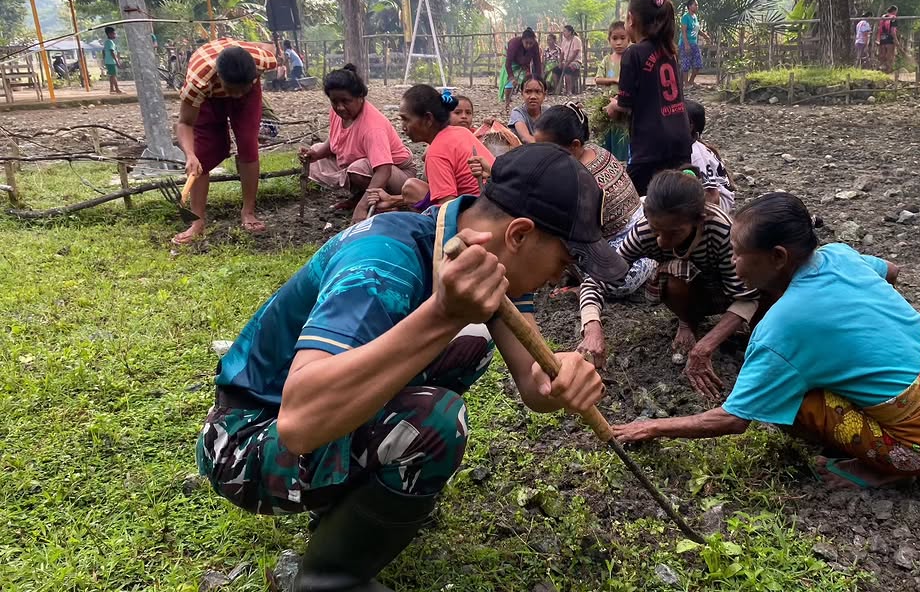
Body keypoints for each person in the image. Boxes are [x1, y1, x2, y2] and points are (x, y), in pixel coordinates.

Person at [196, 143, 627, 592]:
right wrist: (443, 315)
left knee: (462, 350)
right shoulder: (385, 259)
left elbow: (535, 383)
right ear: (518, 235)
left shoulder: (488, 260)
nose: (563, 277)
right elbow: (299, 422)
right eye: (565, 260)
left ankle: (353, 503)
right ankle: (328, 580)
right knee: (436, 421)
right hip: (246, 442)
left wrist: (562, 374)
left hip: (320, 426)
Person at [611, 193, 920, 490]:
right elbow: (892, 271)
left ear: (777, 257)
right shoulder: (838, 254)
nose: (735, 264)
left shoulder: (781, 327)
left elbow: (733, 419)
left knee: (792, 400)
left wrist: (651, 427)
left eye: (740, 255)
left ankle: (882, 470)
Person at [577, 170, 758, 398]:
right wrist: (592, 329)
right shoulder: (644, 232)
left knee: (767, 301)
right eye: (656, 230)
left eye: (674, 233)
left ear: (698, 221)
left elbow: (747, 296)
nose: (662, 241)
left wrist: (704, 347)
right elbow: (595, 280)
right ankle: (687, 322)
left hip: (730, 288)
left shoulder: (721, 230)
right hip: (692, 288)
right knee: (672, 275)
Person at [534, 103, 657, 298]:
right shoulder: (595, 150)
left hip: (627, 255)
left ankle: (584, 287)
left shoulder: (578, 179)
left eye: (547, 150)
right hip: (645, 235)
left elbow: (580, 233)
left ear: (574, 145)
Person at [174, 38, 278, 244]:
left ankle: (248, 212)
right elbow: (185, 123)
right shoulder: (198, 81)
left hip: (243, 87)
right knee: (203, 153)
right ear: (219, 77)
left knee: (249, 145)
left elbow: (269, 46)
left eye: (242, 89)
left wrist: (245, 91)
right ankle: (197, 221)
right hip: (209, 97)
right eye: (232, 90)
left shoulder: (263, 60)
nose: (237, 95)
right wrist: (190, 155)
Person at [299, 65, 417, 224]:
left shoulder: (372, 127)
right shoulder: (337, 113)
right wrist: (316, 155)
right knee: (316, 153)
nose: (340, 107)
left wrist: (361, 208)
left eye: (346, 101)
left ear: (360, 97)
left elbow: (384, 170)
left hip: (399, 175)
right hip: (365, 165)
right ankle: (363, 197)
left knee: (358, 169)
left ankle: (382, 203)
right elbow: (334, 141)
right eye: (335, 101)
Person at [606, 0, 692, 196]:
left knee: (640, 200)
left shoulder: (633, 53)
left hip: (650, 144)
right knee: (676, 199)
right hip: (681, 139)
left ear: (631, 19)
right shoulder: (669, 51)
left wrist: (612, 105)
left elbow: (625, 104)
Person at [370, 86, 494, 214]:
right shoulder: (461, 132)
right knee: (412, 190)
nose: (403, 127)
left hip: (478, 213)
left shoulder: (436, 152)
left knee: (412, 188)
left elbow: (448, 208)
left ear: (428, 119)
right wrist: (392, 200)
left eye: (406, 119)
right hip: (493, 203)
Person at [685, 100, 734, 212]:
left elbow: (711, 194)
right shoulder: (694, 146)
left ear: (690, 126)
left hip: (718, 206)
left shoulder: (696, 153)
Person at [595, 21, 631, 162]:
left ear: (628, 38)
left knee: (622, 133)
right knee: (606, 134)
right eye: (615, 39)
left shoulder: (630, 58)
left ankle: (621, 162)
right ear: (609, 40)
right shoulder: (607, 60)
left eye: (622, 38)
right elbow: (598, 79)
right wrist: (615, 80)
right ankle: (607, 161)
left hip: (623, 104)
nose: (619, 42)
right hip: (606, 102)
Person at [500, 28, 543, 112]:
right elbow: (508, 63)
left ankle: (527, 102)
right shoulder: (514, 44)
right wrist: (511, 77)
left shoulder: (535, 46)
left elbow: (537, 63)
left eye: (531, 43)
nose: (529, 45)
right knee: (509, 84)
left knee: (527, 81)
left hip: (524, 63)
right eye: (526, 43)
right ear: (522, 40)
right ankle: (507, 102)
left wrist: (539, 79)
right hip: (511, 62)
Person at [508, 77, 549, 144]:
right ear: (522, 94)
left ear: (544, 94)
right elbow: (525, 138)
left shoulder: (547, 111)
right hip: (523, 151)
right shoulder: (518, 112)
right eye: (528, 92)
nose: (533, 97)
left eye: (538, 92)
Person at [679, 0, 710, 86]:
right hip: (686, 43)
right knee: (686, 64)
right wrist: (686, 44)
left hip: (694, 43)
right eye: (695, 5)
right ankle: (686, 83)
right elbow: (683, 32)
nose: (697, 6)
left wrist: (705, 35)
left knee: (698, 64)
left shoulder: (695, 17)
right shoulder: (685, 17)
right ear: (689, 6)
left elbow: (697, 29)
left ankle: (691, 81)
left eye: (697, 5)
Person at [556, 25, 583, 94]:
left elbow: (575, 53)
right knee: (555, 70)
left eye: (565, 31)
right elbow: (562, 53)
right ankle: (558, 89)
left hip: (576, 62)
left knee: (568, 69)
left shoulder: (576, 39)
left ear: (570, 32)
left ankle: (569, 90)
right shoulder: (564, 41)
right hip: (565, 61)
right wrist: (560, 62)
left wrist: (567, 63)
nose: (563, 33)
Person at [878, 6, 899, 74]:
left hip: (882, 37)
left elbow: (880, 28)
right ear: (894, 11)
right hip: (889, 37)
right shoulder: (893, 18)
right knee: (890, 54)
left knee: (883, 54)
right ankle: (889, 70)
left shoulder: (883, 17)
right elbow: (893, 30)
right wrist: (896, 40)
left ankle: (882, 69)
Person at [103, 26, 124, 95]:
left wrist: (104, 60)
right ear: (109, 34)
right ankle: (117, 89)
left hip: (108, 61)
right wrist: (117, 61)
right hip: (111, 61)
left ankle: (112, 89)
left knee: (111, 75)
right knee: (114, 75)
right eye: (114, 34)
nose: (115, 35)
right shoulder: (110, 42)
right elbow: (112, 52)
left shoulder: (107, 42)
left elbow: (103, 52)